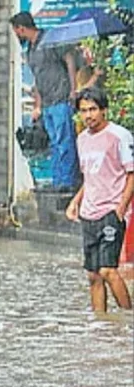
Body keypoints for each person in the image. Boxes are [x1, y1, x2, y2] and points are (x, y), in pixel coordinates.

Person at [66, 88, 134, 313]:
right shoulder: (82, 139)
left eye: (93, 109)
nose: (88, 115)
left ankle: (127, 318)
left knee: (108, 270)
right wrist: (75, 201)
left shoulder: (120, 136)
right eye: (83, 111)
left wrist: (121, 208)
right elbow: (90, 176)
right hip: (89, 212)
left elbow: (131, 174)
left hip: (111, 211)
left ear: (104, 110)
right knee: (93, 275)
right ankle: (100, 325)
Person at [11, 11, 81, 191]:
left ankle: (68, 185)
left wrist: (73, 90)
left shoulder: (50, 39)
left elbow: (69, 58)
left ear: (22, 28)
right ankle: (59, 184)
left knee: (65, 143)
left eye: (16, 31)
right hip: (47, 103)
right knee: (55, 146)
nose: (17, 35)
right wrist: (38, 105)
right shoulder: (30, 50)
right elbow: (37, 79)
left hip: (61, 98)